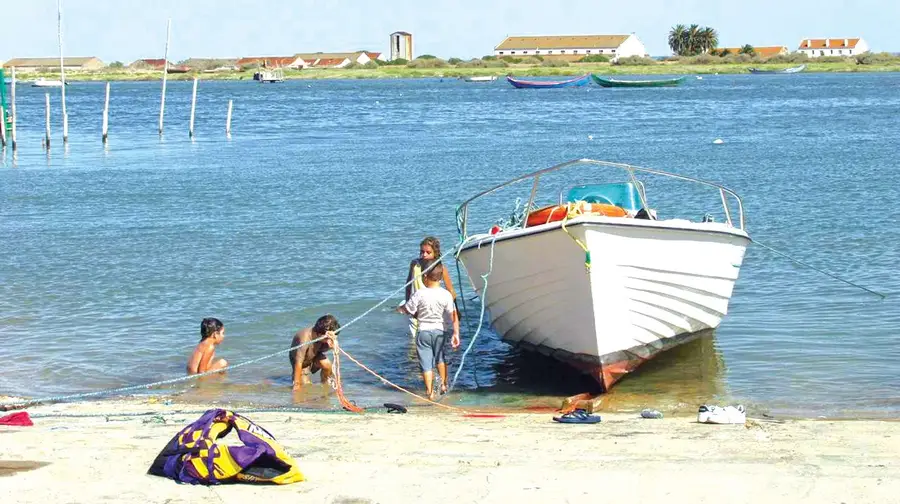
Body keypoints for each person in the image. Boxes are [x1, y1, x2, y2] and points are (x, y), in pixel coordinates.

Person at [398, 260, 460, 399]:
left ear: (425, 277)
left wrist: (402, 309)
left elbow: (410, 309)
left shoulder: (420, 293)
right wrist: (456, 333)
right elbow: (453, 315)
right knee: (440, 358)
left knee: (426, 363)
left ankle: (429, 391)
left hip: (423, 332)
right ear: (440, 277)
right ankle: (444, 384)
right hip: (439, 332)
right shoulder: (446, 295)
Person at [403, 236, 457, 338]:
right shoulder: (415, 264)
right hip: (416, 306)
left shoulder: (441, 268)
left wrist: (455, 311)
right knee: (414, 340)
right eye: (422, 251)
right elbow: (408, 285)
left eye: (428, 252)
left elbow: (451, 290)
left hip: (432, 310)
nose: (424, 255)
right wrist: (408, 304)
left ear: (435, 253)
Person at [289, 314, 339, 390]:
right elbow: (298, 362)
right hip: (302, 362)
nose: (329, 339)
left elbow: (322, 349)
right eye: (327, 338)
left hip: (314, 354)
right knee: (306, 386)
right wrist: (296, 385)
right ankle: (299, 378)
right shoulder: (304, 339)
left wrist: (330, 345)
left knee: (328, 366)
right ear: (319, 334)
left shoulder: (320, 336)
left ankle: (324, 384)